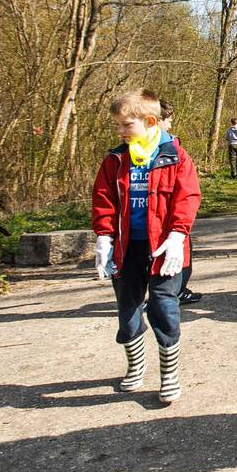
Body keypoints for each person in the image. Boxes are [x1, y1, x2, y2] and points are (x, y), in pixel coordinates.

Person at [92, 89, 201, 404]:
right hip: (127, 250)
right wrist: (104, 237)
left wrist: (178, 235)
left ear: (150, 121)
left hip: (165, 248)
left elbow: (188, 197)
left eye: (127, 125)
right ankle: (136, 366)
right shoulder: (115, 160)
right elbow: (103, 199)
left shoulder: (176, 157)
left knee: (163, 306)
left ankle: (169, 375)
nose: (120, 131)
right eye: (118, 126)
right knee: (127, 310)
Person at [159, 100, 202, 306]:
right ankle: (172, 293)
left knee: (182, 253)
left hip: (175, 218)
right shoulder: (170, 149)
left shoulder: (175, 148)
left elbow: (188, 192)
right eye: (167, 120)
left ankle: (177, 290)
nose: (170, 125)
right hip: (164, 218)